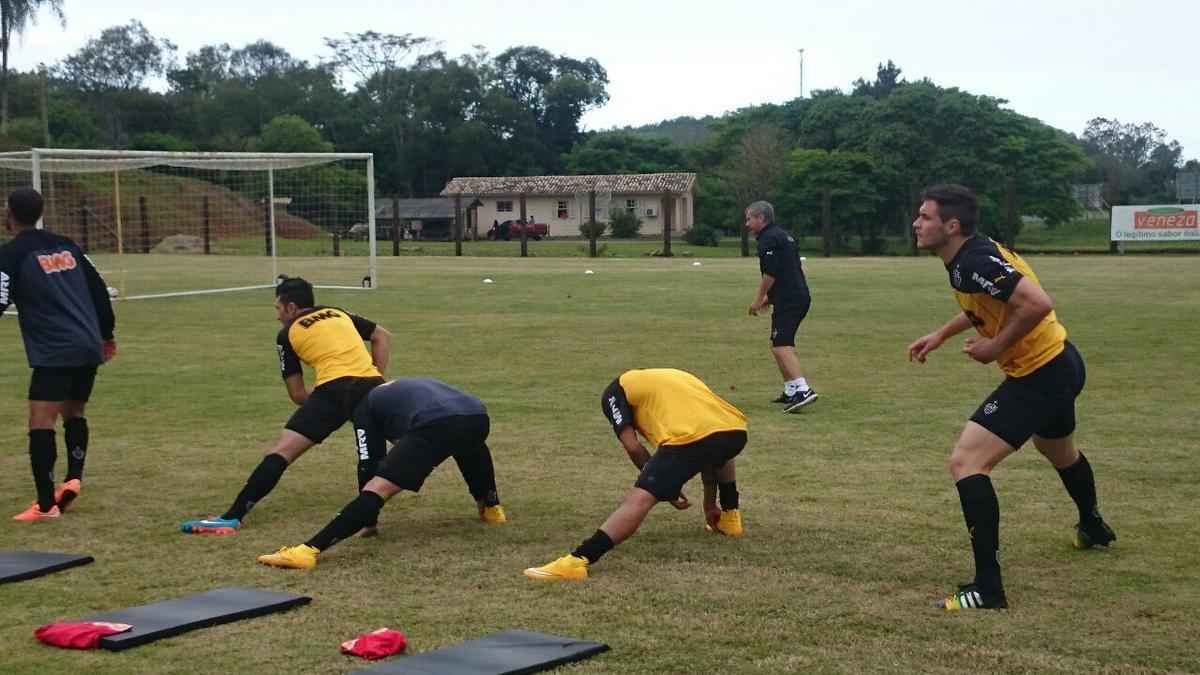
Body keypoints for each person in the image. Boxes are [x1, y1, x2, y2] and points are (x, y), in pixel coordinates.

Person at [907, 184, 1117, 611]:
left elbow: (1037, 303)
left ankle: (988, 588)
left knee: (967, 463)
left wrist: (995, 347)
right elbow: (985, 304)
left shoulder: (975, 260)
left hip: (1041, 374)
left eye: (925, 217)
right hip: (1062, 362)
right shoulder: (970, 259)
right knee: (1058, 450)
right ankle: (1093, 526)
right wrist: (941, 335)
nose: (916, 222)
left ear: (952, 225)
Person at [180, 276, 391, 534]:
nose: (278, 316)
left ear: (291, 308)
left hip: (330, 391)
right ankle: (368, 523)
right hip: (370, 387)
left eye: (278, 309)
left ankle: (232, 516)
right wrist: (375, 379)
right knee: (378, 450)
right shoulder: (338, 313)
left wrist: (327, 396)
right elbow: (381, 335)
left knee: (281, 452)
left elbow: (298, 394)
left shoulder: (286, 334)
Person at [256, 377, 506, 570]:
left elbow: (369, 461)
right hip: (477, 415)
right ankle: (491, 509)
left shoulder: (364, 407)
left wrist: (369, 520)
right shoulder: (397, 388)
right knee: (468, 443)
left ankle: (307, 551)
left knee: (378, 488)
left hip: (435, 422)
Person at [524, 368, 747, 581]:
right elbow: (713, 450)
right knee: (718, 446)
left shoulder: (614, 391)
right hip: (734, 429)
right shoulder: (672, 378)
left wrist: (663, 486)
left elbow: (633, 447)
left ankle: (577, 561)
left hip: (691, 437)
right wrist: (710, 504)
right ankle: (730, 518)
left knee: (638, 499)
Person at [1, 187, 116, 521]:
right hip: (87, 342)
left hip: (54, 350)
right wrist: (106, 335)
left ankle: (45, 505)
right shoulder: (68, 245)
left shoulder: (9, 254)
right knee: (74, 411)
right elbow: (99, 291)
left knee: (41, 422)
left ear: (9, 214)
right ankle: (74, 477)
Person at [744, 201, 818, 413]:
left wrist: (759, 298)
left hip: (790, 299)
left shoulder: (768, 239)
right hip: (794, 296)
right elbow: (789, 270)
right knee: (778, 342)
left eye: (750, 218)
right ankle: (791, 389)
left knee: (781, 345)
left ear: (762, 218)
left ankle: (803, 390)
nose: (747, 224)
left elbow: (771, 273)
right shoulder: (782, 235)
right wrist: (771, 299)